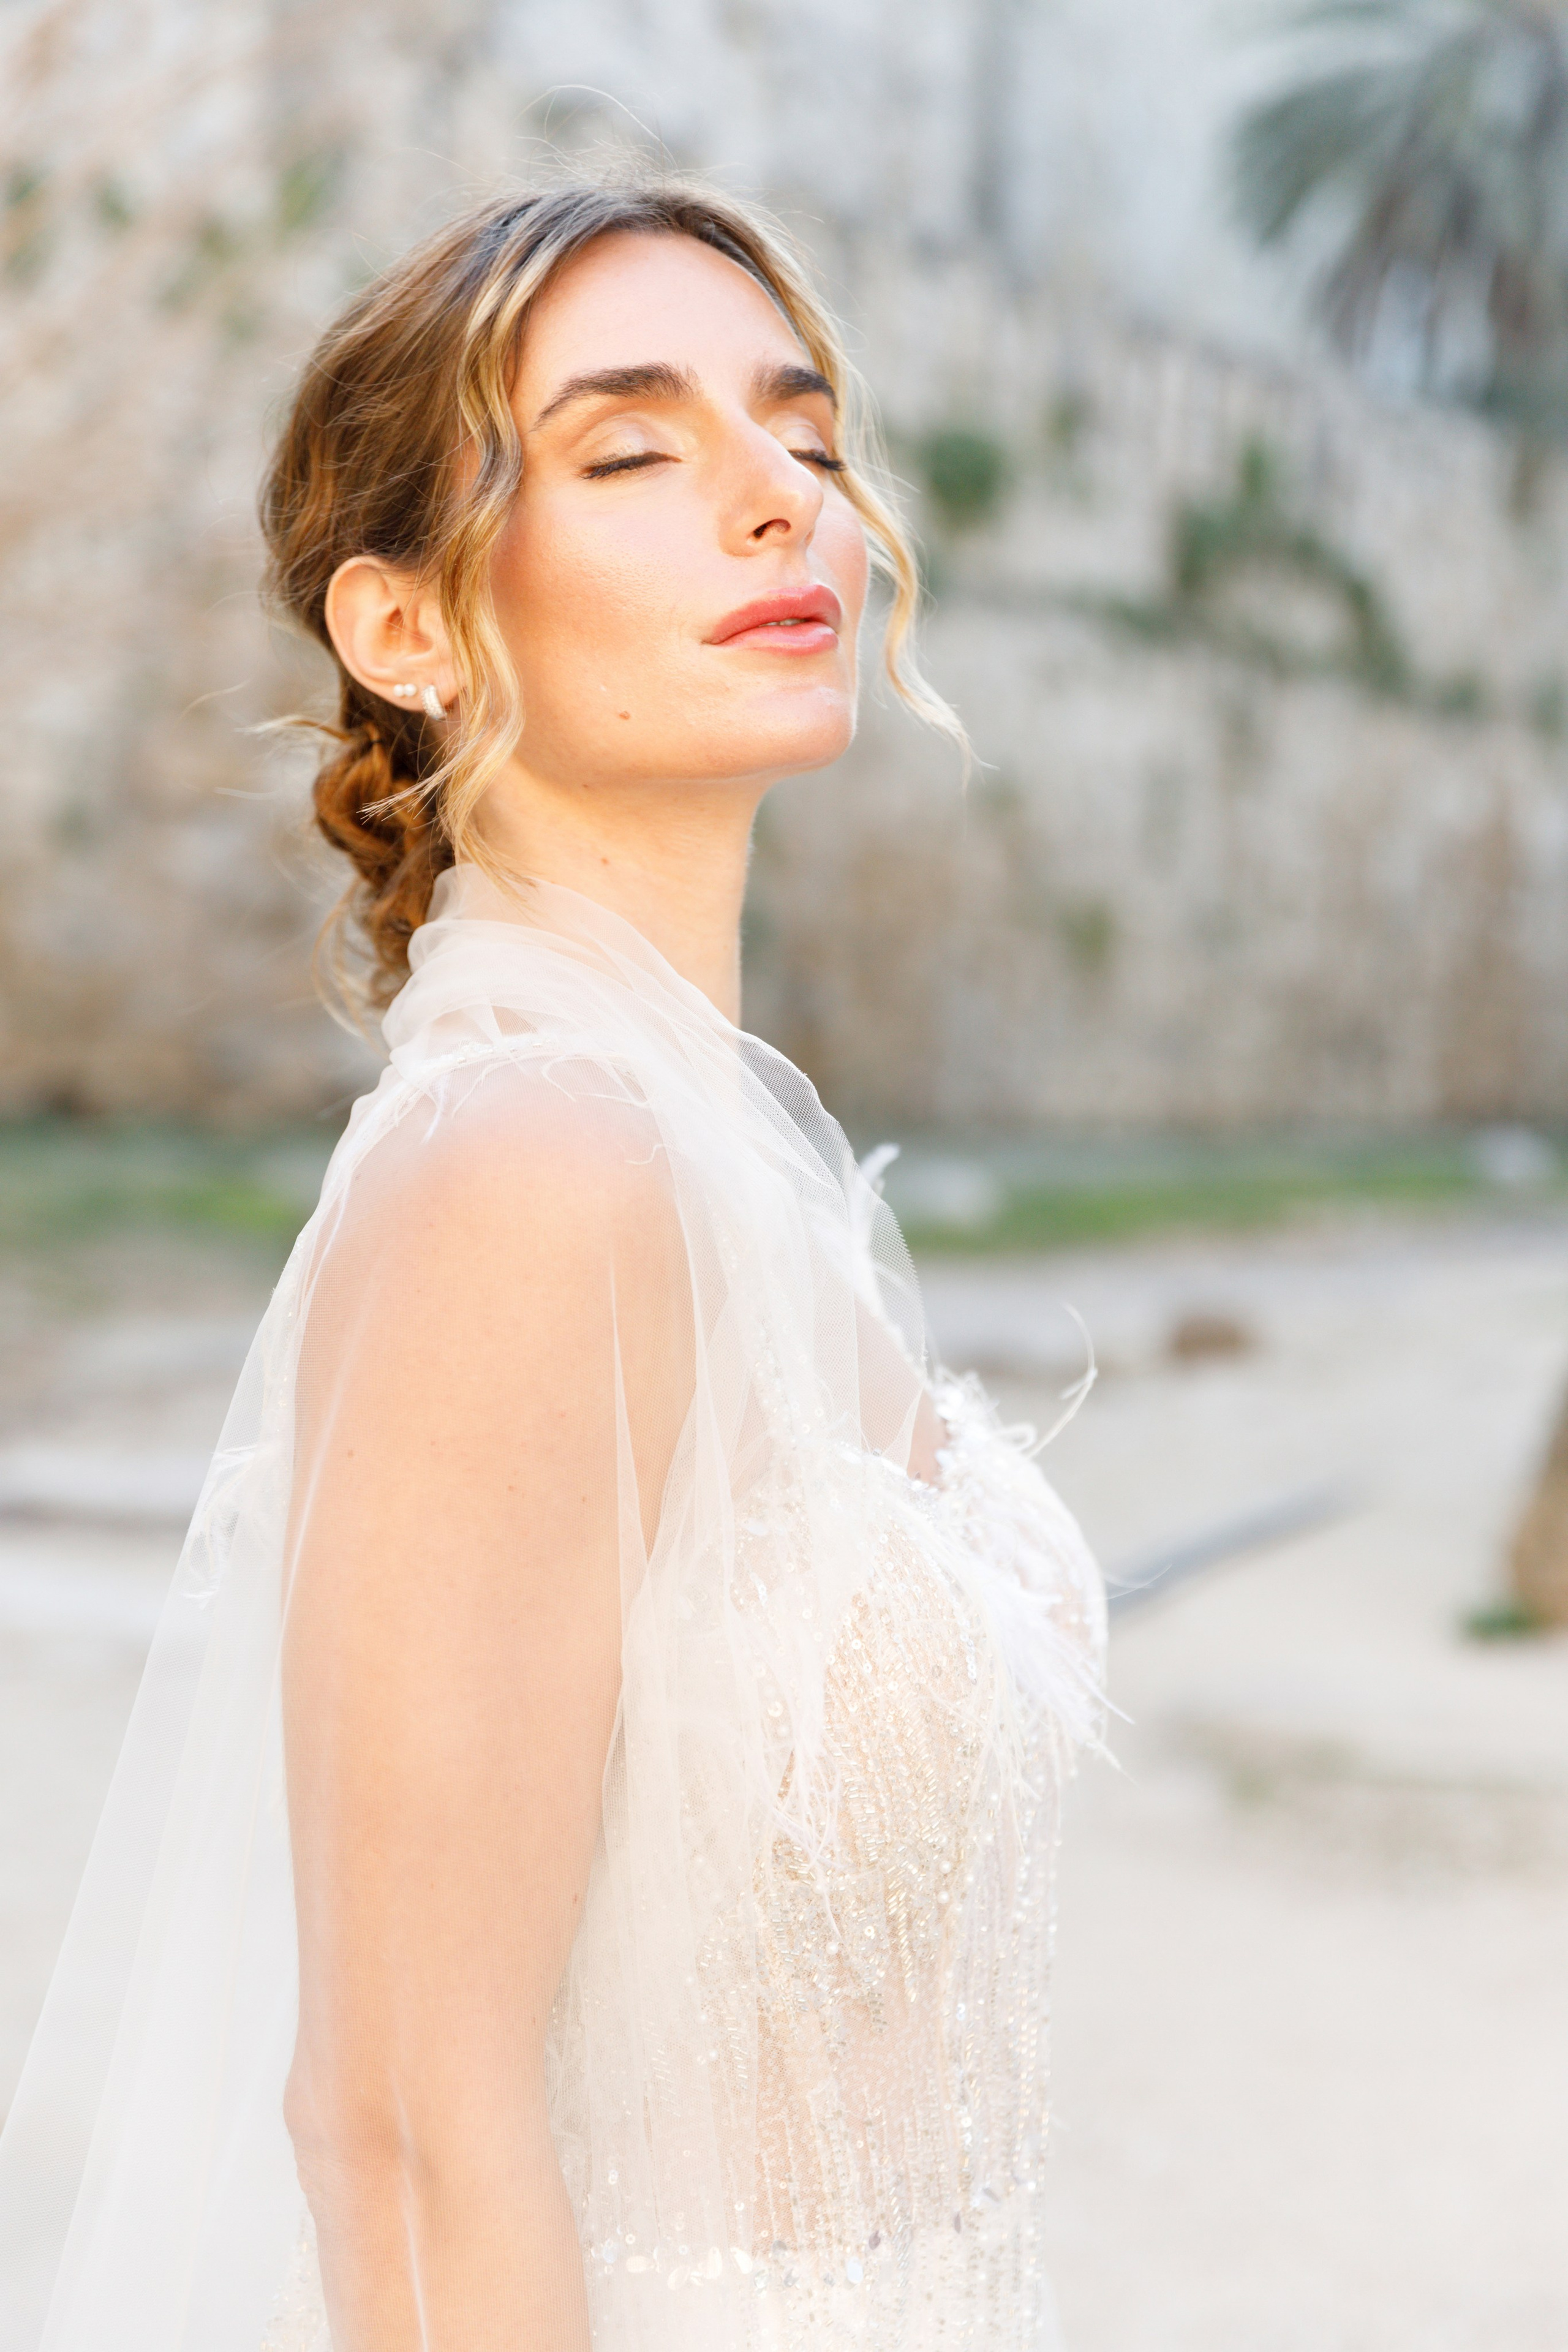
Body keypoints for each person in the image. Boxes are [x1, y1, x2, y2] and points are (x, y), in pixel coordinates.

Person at [0, 172, 1105, 2352]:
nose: (778, 494)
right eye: (629, 450)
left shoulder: (718, 1150)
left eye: (798, 427)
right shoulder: (530, 1173)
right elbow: (395, 2122)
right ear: (402, 628)